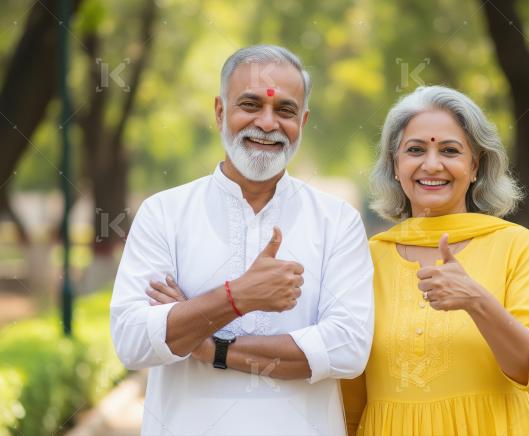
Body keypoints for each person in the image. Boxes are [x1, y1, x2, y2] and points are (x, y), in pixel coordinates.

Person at [110, 45, 374, 435]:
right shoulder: (164, 213)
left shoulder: (337, 222)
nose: (267, 123)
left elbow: (348, 350)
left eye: (285, 110)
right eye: (250, 105)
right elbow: (133, 341)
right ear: (220, 111)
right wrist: (237, 297)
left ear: (302, 121)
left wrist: (208, 344)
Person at [342, 85, 529, 435]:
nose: (432, 165)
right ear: (396, 164)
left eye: (450, 150)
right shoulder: (368, 258)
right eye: (415, 150)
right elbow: (349, 391)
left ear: (474, 165)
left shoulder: (514, 245)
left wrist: (477, 301)